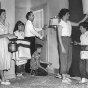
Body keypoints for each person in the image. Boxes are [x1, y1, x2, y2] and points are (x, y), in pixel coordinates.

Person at [57, 8, 88, 84]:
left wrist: (86, 16)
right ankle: (63, 78)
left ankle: (66, 76)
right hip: (63, 41)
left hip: (69, 40)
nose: (69, 15)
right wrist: (62, 47)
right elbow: (59, 37)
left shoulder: (69, 22)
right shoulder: (60, 24)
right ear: (64, 15)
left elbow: (78, 23)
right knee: (64, 59)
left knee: (69, 59)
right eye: (68, 14)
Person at [0, 9, 14, 85]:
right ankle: (2, 79)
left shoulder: (7, 23)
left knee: (6, 60)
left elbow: (7, 33)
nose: (5, 15)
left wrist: (11, 36)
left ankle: (3, 77)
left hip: (6, 43)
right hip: (0, 44)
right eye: (3, 14)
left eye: (5, 14)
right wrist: (6, 35)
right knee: (1, 60)